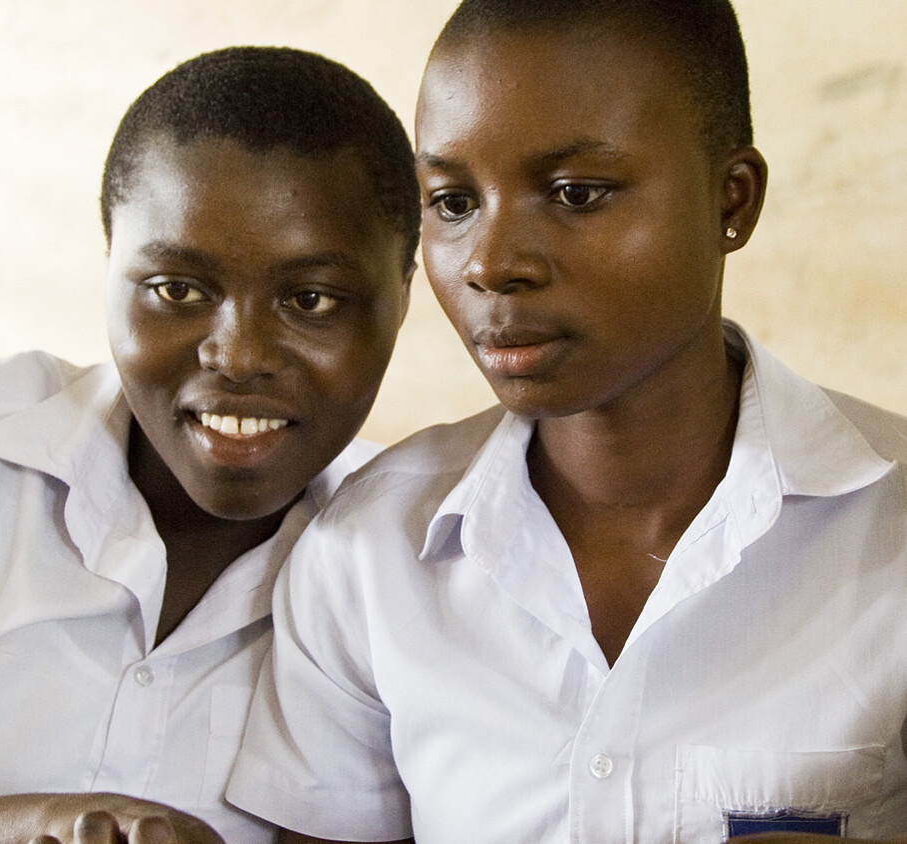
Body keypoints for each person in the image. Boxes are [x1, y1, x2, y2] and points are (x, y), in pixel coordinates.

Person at [225, 2, 907, 842]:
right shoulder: (369, 554)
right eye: (452, 202)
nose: (491, 263)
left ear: (731, 200)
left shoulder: (891, 526)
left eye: (576, 193)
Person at [0, 45, 419, 844]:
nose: (238, 355)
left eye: (313, 300)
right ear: (111, 262)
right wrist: (46, 827)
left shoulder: (406, 558)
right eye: (177, 289)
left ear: (404, 296)